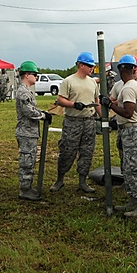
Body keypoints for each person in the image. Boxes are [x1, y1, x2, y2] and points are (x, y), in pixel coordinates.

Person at [103, 55, 137, 217]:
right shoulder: (128, 86)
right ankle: (133, 200)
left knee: (134, 168)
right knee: (129, 168)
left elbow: (128, 112)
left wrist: (111, 106)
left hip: (133, 130)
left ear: (122, 69)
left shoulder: (129, 88)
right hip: (128, 130)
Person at [51, 52, 101, 193]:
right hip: (73, 121)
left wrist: (104, 118)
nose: (92, 68)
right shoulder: (69, 81)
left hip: (89, 121)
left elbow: (96, 102)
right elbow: (60, 100)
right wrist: (73, 105)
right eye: (89, 66)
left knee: (87, 152)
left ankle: (82, 182)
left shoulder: (92, 82)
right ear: (80, 65)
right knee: (67, 151)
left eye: (93, 66)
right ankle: (60, 180)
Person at [14, 61, 51, 201]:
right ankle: (25, 190)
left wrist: (43, 112)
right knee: (26, 162)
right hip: (26, 133)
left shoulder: (27, 90)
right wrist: (43, 116)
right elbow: (28, 111)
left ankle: (28, 187)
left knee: (30, 160)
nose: (36, 77)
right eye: (35, 74)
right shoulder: (23, 92)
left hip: (30, 132)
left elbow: (32, 108)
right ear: (27, 75)